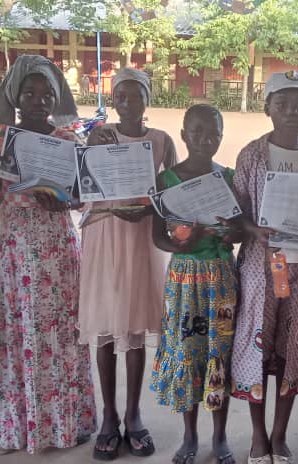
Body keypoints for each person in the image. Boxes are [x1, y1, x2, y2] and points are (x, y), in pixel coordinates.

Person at [0, 55, 97, 455]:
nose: (39, 101)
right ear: (16, 95)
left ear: (56, 98)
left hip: (57, 250)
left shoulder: (68, 141)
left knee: (60, 336)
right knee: (17, 335)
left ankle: (66, 426)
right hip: (16, 251)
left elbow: (82, 196)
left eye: (47, 94)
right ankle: (15, 427)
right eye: (30, 93)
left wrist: (66, 202)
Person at [80, 66, 176, 461]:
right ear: (113, 99)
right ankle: (109, 416)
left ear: (147, 99)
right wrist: (89, 145)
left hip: (140, 239)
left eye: (136, 95)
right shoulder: (98, 136)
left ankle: (134, 415)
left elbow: (172, 193)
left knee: (135, 328)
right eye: (121, 95)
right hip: (104, 234)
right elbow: (82, 185)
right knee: (105, 328)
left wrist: (151, 210)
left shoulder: (161, 140)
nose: (128, 102)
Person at [230, 70, 298, 464]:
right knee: (257, 345)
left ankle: (280, 434)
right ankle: (258, 436)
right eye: (282, 103)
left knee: (293, 347)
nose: (291, 111)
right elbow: (236, 213)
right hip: (261, 266)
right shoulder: (252, 154)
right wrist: (255, 230)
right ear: (267, 106)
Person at [149, 104, 238, 464]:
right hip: (184, 279)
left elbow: (239, 228)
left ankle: (219, 436)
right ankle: (190, 436)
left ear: (222, 136)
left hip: (220, 276)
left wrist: (230, 233)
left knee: (219, 353)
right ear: (184, 135)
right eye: (197, 131)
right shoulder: (166, 181)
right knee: (188, 353)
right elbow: (158, 236)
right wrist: (181, 245)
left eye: (213, 132)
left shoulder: (228, 177)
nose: (205, 138)